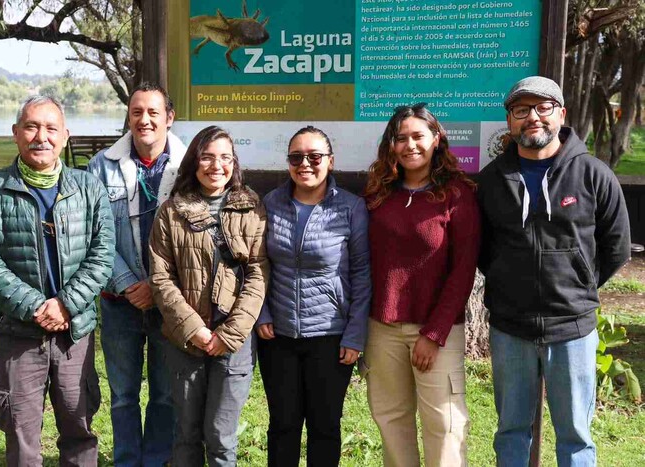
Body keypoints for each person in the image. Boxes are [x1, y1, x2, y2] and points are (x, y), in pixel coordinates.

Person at [477, 76, 631, 466]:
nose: (533, 117)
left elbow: (616, 247)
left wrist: (577, 285)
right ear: (510, 120)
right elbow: (482, 249)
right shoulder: (492, 181)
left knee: (576, 435)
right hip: (511, 327)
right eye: (521, 110)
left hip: (573, 329)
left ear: (560, 114)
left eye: (543, 107)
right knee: (511, 430)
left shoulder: (594, 174)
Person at [0, 95, 115, 465]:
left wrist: (65, 304)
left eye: (51, 128)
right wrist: (35, 306)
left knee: (79, 427)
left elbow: (103, 252)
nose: (40, 137)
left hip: (73, 332)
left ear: (65, 136)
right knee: (20, 432)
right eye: (31, 127)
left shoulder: (89, 188)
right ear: (16, 133)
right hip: (17, 332)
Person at [362, 104, 480, 467]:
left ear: (436, 139)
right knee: (391, 419)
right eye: (401, 138)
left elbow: (464, 270)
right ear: (391, 145)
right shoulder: (379, 193)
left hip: (436, 331)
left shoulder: (457, 194)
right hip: (382, 329)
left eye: (418, 136)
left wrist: (434, 333)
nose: (409, 145)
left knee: (444, 424)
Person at [148, 125, 269, 466]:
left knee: (220, 435)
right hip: (186, 341)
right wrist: (195, 329)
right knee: (186, 434)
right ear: (194, 161)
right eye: (208, 157)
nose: (217, 166)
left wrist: (229, 334)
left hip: (235, 342)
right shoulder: (171, 212)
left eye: (225, 158)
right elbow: (161, 278)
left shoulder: (252, 209)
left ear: (235, 163)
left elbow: (258, 274)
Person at [256, 126, 371, 466]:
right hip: (277, 335)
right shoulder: (271, 203)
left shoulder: (351, 208)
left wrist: (355, 333)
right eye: (296, 157)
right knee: (283, 426)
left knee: (325, 427)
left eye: (314, 156)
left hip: (331, 336)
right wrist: (261, 313)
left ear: (330, 162)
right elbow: (256, 263)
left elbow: (363, 274)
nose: (305, 163)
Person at [87, 82, 186, 466]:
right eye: (136, 112)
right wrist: (129, 283)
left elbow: (195, 236)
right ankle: (127, 460)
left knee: (165, 394)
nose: (144, 120)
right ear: (128, 116)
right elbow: (94, 235)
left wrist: (159, 288)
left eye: (153, 113)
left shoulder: (188, 164)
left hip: (170, 302)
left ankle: (157, 460)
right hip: (118, 303)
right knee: (124, 393)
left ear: (169, 118)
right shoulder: (101, 165)